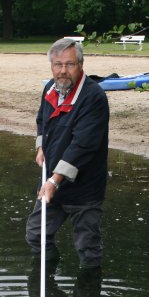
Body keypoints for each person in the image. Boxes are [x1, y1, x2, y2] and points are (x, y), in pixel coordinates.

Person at [25, 38, 110, 268]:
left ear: (80, 65)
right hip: (53, 181)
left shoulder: (94, 98)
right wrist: (41, 146)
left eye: (70, 64)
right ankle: (50, 284)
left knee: (87, 249)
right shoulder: (50, 88)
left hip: (84, 188)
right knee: (36, 235)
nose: (63, 71)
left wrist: (54, 180)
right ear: (52, 66)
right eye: (58, 64)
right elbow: (42, 120)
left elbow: (83, 145)